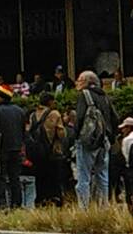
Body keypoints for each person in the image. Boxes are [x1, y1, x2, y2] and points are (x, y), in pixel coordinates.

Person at [73, 70, 119, 208]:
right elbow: (115, 118)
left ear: (88, 82)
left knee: (83, 177)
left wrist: (77, 137)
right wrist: (110, 136)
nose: (77, 82)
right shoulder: (105, 96)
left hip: (88, 141)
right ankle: (104, 206)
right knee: (103, 176)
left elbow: (80, 118)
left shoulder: (84, 95)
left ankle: (84, 208)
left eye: (80, 80)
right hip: (103, 141)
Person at [0, 84, 26, 210]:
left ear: (1, 97)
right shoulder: (20, 111)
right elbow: (23, 131)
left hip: (1, 150)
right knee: (15, 178)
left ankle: (1, 204)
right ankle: (17, 204)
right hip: (16, 149)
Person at [30, 93, 65, 208]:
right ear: (50, 102)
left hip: (37, 153)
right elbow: (61, 134)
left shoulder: (33, 115)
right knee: (54, 179)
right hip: (53, 152)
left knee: (40, 179)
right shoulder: (54, 114)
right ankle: (55, 201)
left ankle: (41, 202)